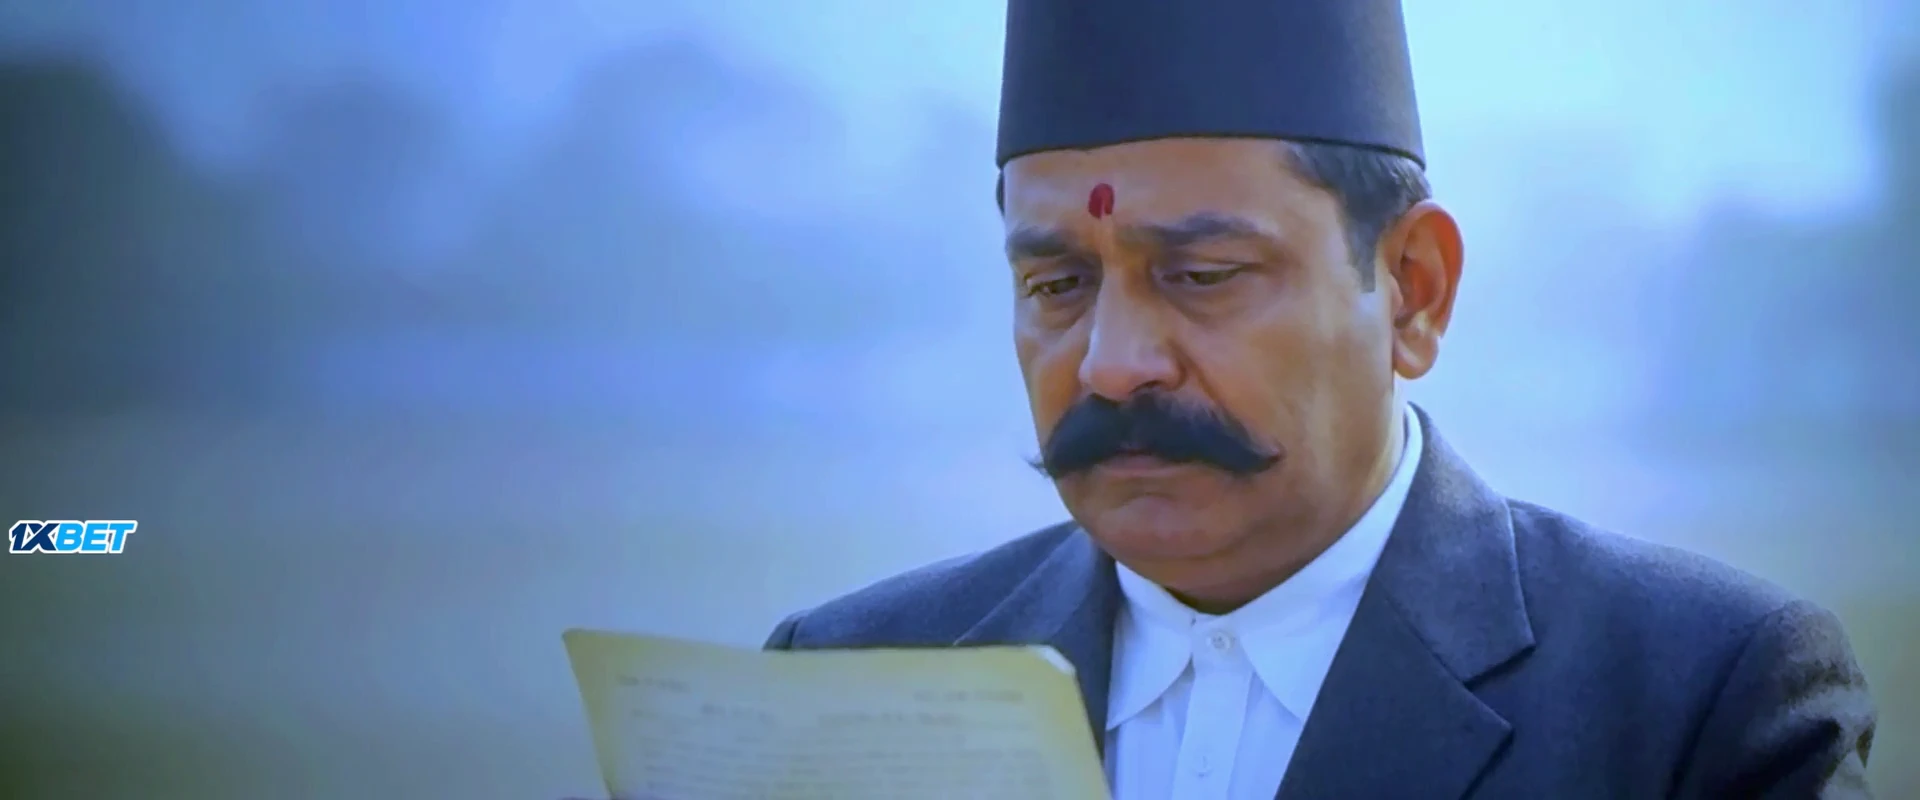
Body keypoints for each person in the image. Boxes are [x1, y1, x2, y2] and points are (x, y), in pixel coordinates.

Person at [582, 0, 1878, 797]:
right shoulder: (848, 681)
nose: (1112, 365)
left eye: (1202, 276)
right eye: (1055, 284)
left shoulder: (1690, 706)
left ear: (1413, 292)